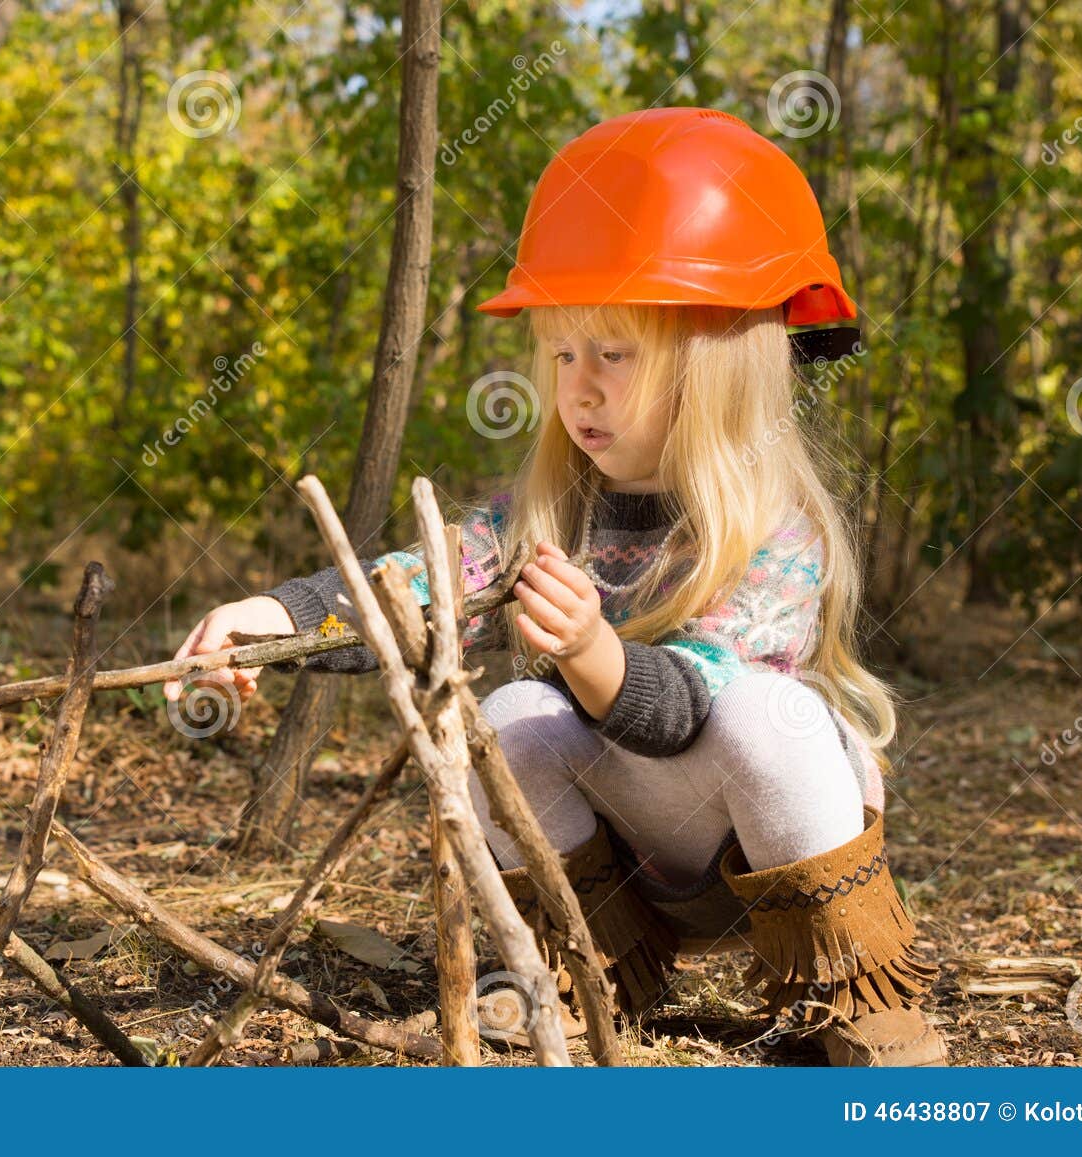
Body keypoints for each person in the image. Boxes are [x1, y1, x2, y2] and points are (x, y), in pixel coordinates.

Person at [163, 108, 946, 1066]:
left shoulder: (779, 532)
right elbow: (423, 582)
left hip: (763, 842)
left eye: (614, 353)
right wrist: (275, 617)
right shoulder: (553, 515)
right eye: (562, 353)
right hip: (633, 863)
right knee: (516, 711)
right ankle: (584, 970)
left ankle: (847, 995)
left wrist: (594, 652)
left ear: (720, 359)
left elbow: (695, 703)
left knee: (768, 715)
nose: (579, 386)